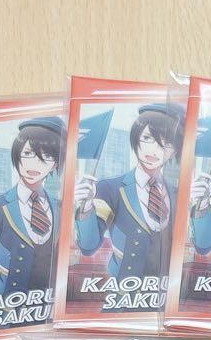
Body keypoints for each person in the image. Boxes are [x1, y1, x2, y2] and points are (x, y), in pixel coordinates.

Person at [74, 104, 183, 282]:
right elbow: (88, 246)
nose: (154, 149)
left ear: (174, 151)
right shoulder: (109, 188)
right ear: (135, 138)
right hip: (123, 289)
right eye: (147, 138)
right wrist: (85, 208)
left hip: (165, 290)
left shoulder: (177, 194)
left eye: (166, 143)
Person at [0, 117, 65, 296]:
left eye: (46, 156)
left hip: (50, 303)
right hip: (8, 304)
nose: (34, 164)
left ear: (55, 163)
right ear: (16, 154)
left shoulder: (60, 208)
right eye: (28, 153)